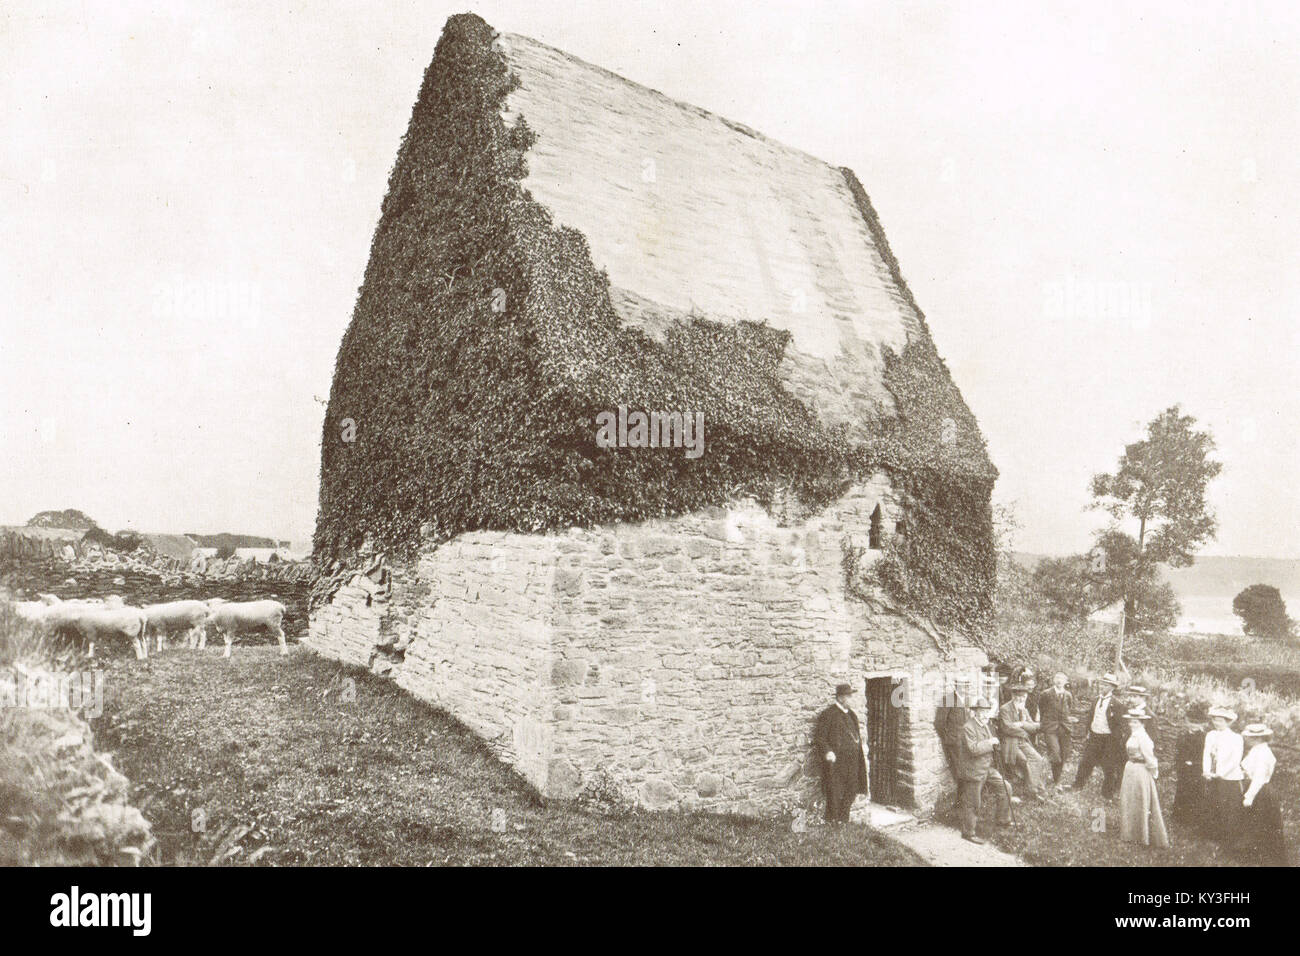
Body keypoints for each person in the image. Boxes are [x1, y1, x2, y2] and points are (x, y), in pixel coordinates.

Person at [955, 697, 1013, 844]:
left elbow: (991, 745)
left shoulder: (985, 725)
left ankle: (1002, 820)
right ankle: (968, 832)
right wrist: (990, 742)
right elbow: (973, 749)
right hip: (973, 770)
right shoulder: (968, 727)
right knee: (974, 802)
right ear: (975, 712)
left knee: (1006, 787)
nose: (985, 715)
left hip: (987, 768)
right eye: (982, 711)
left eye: (987, 711)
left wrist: (996, 745)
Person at [813, 683, 869, 823]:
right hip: (837, 765)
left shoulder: (852, 715)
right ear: (841, 698)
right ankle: (832, 824)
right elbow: (820, 737)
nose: (852, 699)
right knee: (835, 795)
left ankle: (843, 822)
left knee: (851, 792)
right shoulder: (828, 714)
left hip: (853, 763)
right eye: (849, 696)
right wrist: (827, 751)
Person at [1237, 723, 1288, 865]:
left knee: (1262, 823)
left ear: (1259, 738)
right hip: (1255, 787)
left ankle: (1265, 857)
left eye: (1250, 737)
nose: (1247, 739)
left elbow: (1259, 777)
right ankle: (1252, 853)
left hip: (1261, 791)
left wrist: (1249, 796)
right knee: (1254, 822)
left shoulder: (1264, 753)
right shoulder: (1256, 750)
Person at [1119, 705, 1169, 848]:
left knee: (1140, 800)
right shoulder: (1134, 734)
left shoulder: (1143, 737)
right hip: (1130, 768)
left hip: (1140, 770)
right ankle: (1129, 832)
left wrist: (1153, 773)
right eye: (1130, 721)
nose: (1132, 724)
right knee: (1129, 799)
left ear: (1142, 723)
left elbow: (1150, 758)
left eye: (1135, 722)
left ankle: (1141, 834)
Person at [1073, 673, 1125, 798]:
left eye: (1106, 685)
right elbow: (1090, 717)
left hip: (1108, 739)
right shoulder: (1096, 699)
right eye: (1102, 684)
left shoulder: (1117, 704)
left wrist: (1114, 741)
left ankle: (1107, 793)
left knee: (1109, 766)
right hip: (1094, 737)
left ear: (1112, 687)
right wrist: (1088, 732)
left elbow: (1120, 725)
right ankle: (1078, 785)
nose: (1102, 686)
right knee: (1086, 762)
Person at [1202, 705, 1244, 843]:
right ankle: (1212, 833)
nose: (1216, 723)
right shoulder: (1210, 735)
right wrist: (1207, 771)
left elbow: (1235, 760)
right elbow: (1207, 754)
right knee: (1213, 802)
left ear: (1228, 722)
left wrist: (1220, 773)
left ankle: (1227, 836)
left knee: (1227, 805)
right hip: (1212, 775)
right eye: (1215, 720)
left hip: (1229, 777)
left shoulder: (1235, 738)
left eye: (1220, 720)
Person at [999, 684, 1049, 800]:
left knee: (1037, 759)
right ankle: (1032, 791)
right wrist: (1025, 731)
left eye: (1024, 696)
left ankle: (1033, 789)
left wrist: (1022, 724)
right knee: (1025, 761)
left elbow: (1035, 727)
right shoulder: (1005, 709)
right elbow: (1007, 728)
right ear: (1013, 696)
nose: (1021, 699)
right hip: (1010, 743)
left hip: (1022, 742)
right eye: (1018, 696)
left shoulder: (1024, 710)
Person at [1172, 703, 1209, 829]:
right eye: (1191, 722)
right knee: (1182, 789)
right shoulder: (1183, 735)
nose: (1193, 725)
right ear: (1186, 722)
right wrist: (1179, 763)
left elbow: (1206, 755)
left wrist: (1195, 763)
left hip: (1196, 769)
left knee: (1195, 792)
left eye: (1196, 723)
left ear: (1202, 725)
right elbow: (1179, 751)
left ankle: (1193, 818)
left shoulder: (1204, 738)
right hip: (1183, 768)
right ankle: (1179, 816)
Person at [1037, 672, 1077, 786]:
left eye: (1062, 679)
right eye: (1057, 678)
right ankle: (1056, 778)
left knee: (1064, 754)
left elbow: (1069, 708)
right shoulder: (1046, 694)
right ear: (1053, 680)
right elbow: (1042, 708)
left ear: (1066, 682)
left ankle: (1057, 780)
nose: (1059, 680)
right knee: (1055, 753)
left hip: (1064, 728)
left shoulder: (1068, 695)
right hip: (1050, 728)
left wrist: (1067, 722)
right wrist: (1046, 722)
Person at [934, 675, 973, 779]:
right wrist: (949, 738)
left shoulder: (966, 699)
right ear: (956, 687)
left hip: (966, 740)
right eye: (963, 687)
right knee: (959, 770)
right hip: (954, 742)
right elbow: (939, 723)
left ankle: (967, 793)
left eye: (967, 686)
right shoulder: (948, 699)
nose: (965, 689)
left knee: (968, 767)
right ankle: (961, 794)